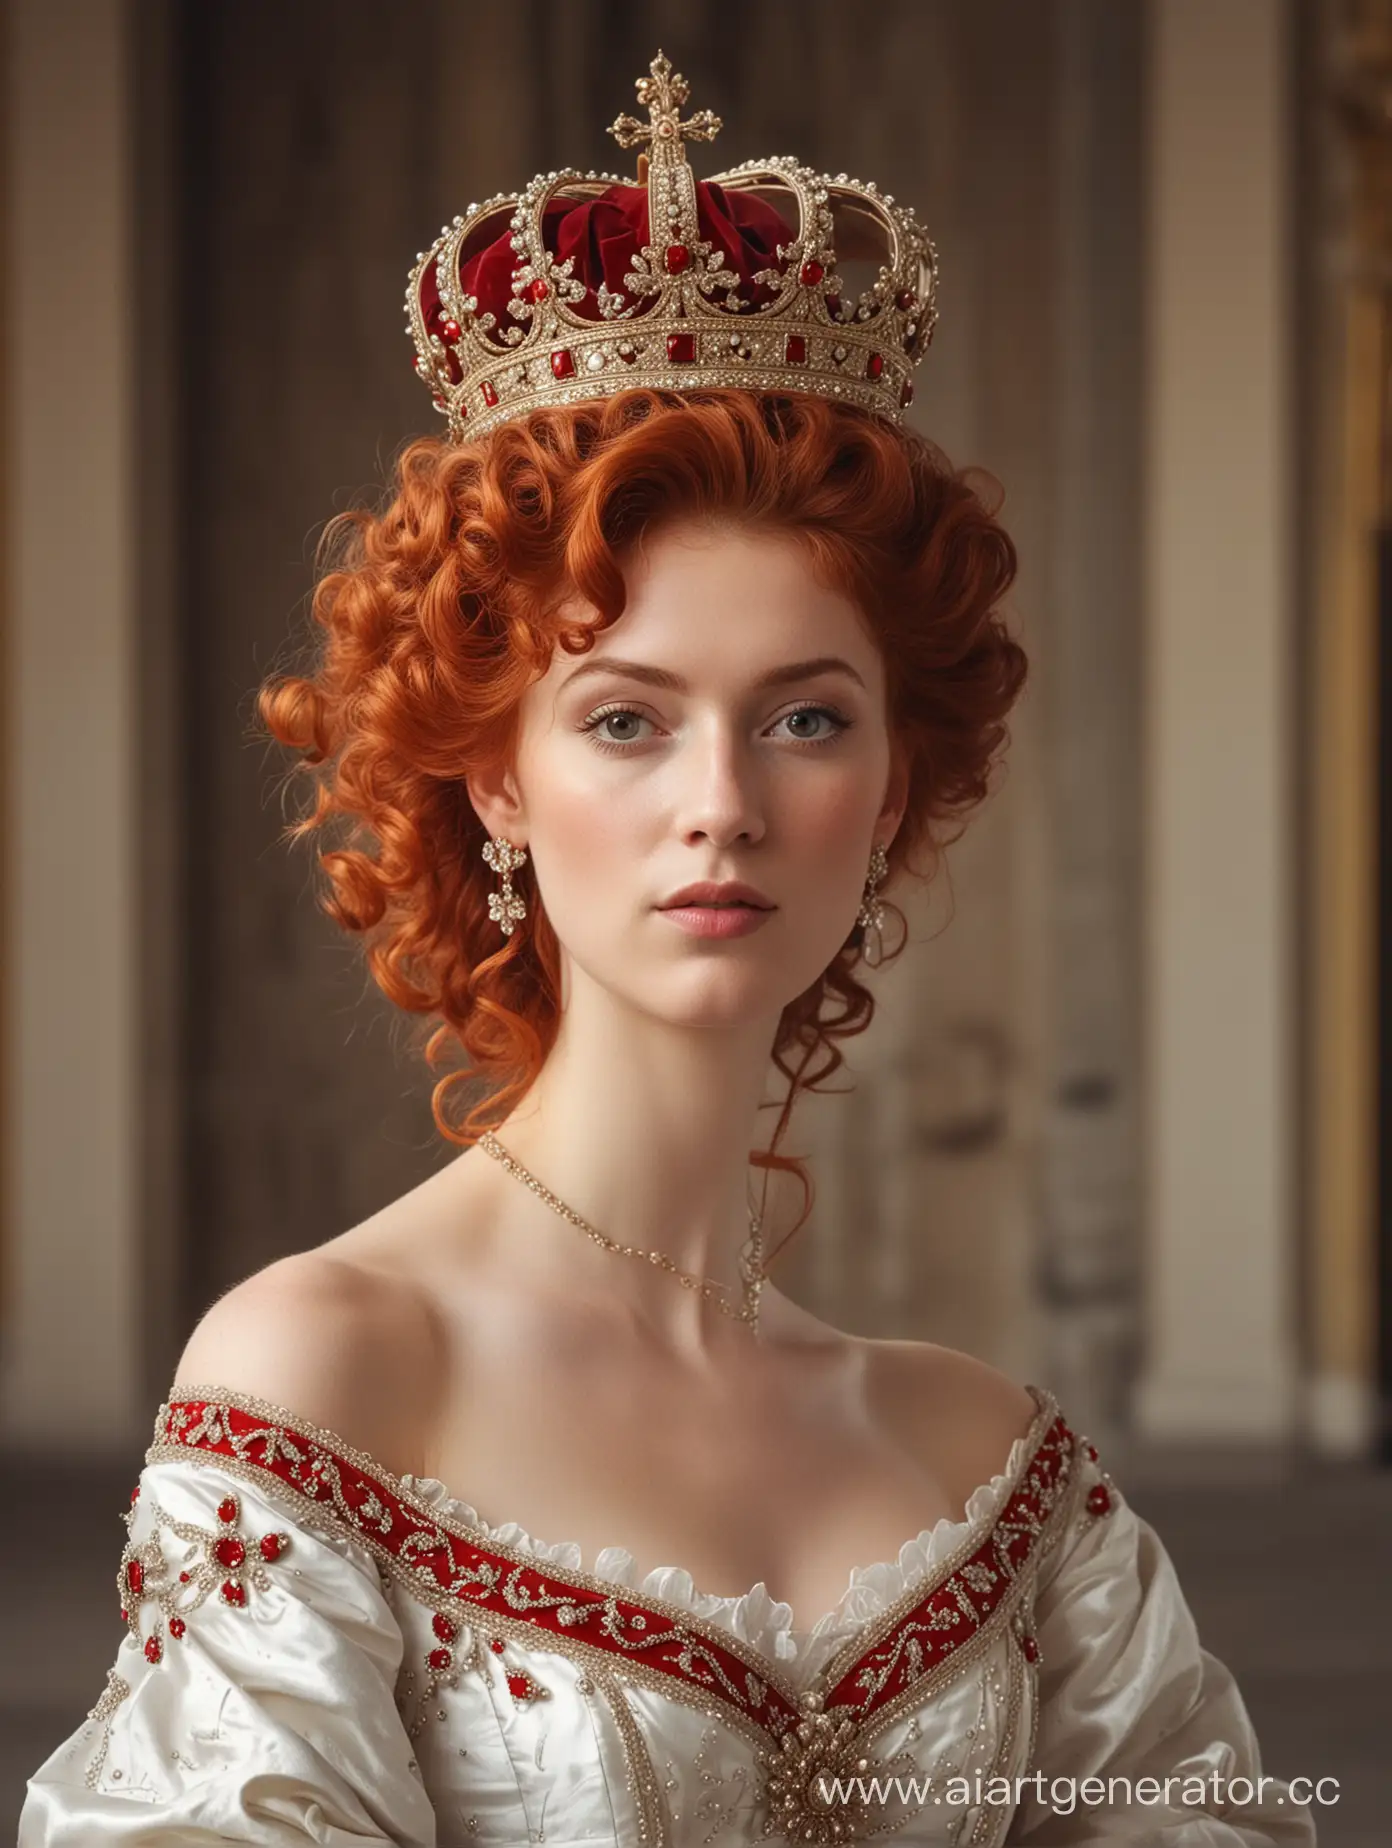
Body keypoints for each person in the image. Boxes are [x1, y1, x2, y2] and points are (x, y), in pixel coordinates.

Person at [20, 50, 1315, 1848]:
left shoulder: (996, 1472)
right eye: (627, 722)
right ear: (497, 783)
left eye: (804, 721)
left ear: (892, 790)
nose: (723, 802)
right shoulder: (326, 1369)